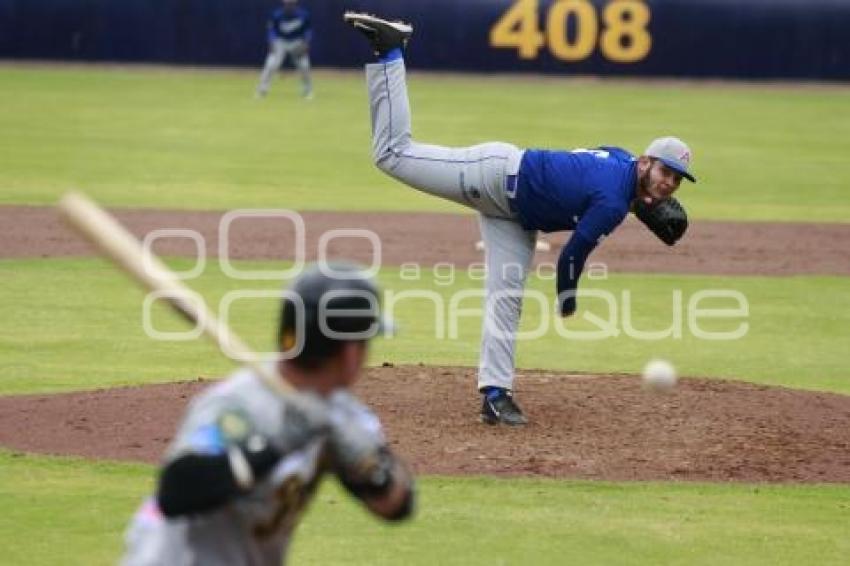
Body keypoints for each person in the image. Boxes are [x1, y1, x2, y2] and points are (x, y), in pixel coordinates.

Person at [343, 12, 695, 426]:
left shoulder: (620, 160)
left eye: (676, 178)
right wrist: (567, 299)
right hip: (493, 176)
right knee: (392, 155)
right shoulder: (613, 204)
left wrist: (640, 200)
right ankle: (389, 50)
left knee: (505, 300)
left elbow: (600, 162)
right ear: (646, 162)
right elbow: (572, 256)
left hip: (515, 217)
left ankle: (495, 395)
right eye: (664, 172)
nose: (670, 183)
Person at [122, 264, 415, 566]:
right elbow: (176, 492)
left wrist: (373, 471)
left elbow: (397, 507)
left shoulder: (341, 414)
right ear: (351, 351)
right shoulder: (238, 404)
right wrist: (275, 445)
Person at [256, 0, 313, 99]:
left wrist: (306, 43)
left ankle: (307, 91)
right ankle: (262, 90)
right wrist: (271, 41)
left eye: (291, 3)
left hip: (297, 42)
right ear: (284, 4)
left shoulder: (303, 15)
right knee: (271, 65)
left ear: (295, 4)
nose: (289, 5)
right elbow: (271, 30)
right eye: (287, 3)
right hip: (280, 42)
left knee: (304, 66)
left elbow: (308, 31)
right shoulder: (277, 15)